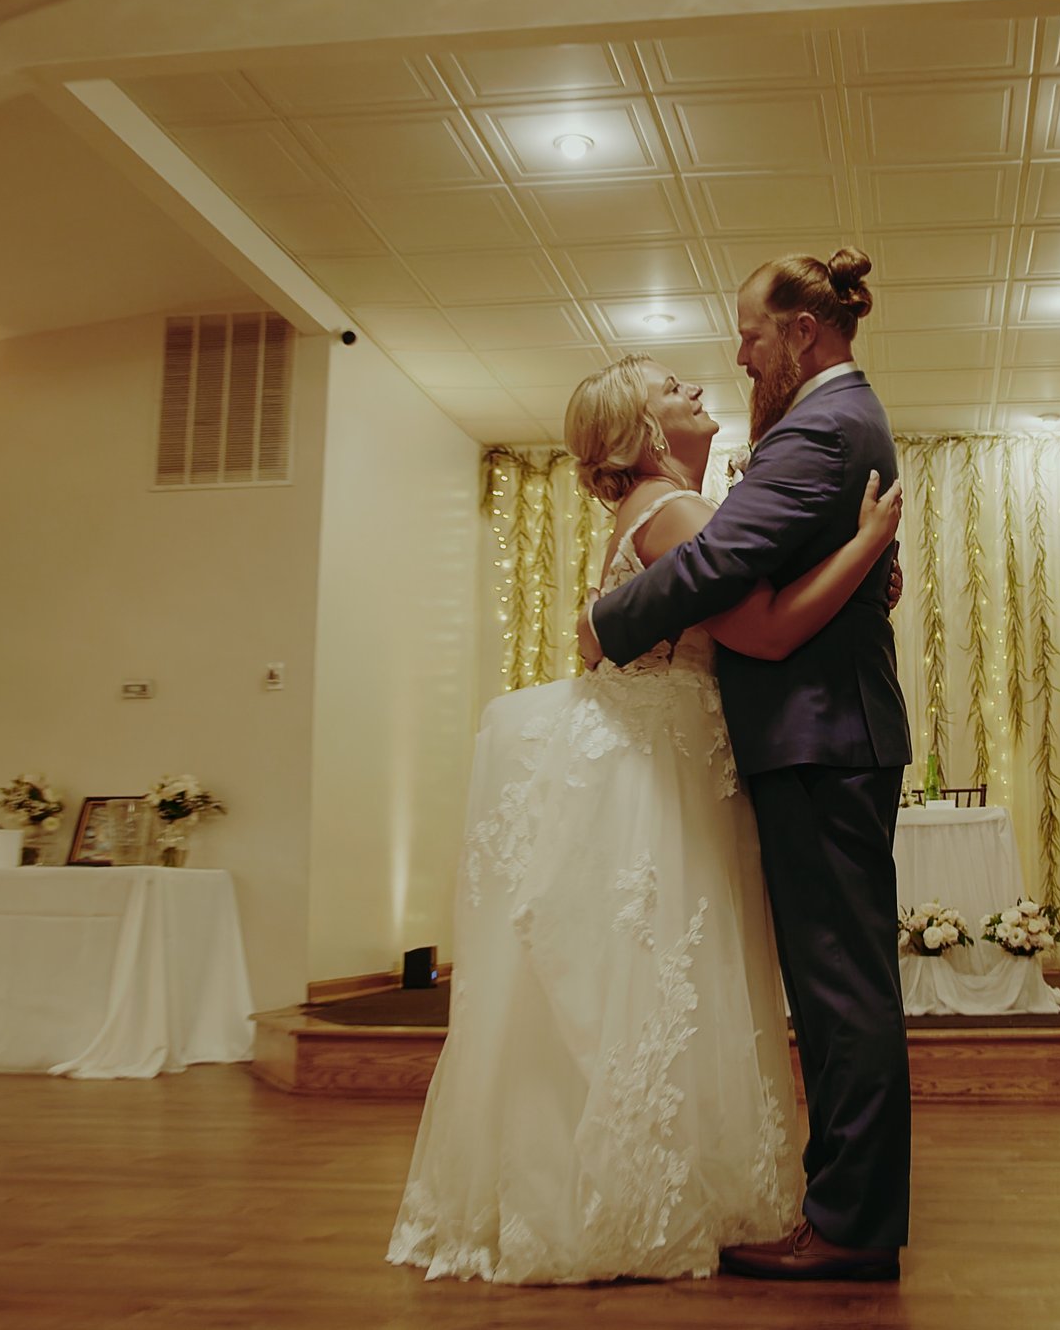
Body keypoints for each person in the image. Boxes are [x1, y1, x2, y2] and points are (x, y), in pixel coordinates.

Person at [387, 351, 904, 1286]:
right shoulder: (678, 516)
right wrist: (868, 546)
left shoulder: (666, 515)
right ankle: (643, 1194)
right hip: (666, 773)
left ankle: (636, 1181)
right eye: (675, 391)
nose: (700, 390)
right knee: (664, 982)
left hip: (667, 758)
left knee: (645, 988)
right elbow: (772, 631)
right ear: (642, 435)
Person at [582, 250, 914, 1283]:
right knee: (827, 988)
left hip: (821, 737)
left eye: (750, 332)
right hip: (814, 733)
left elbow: (724, 567)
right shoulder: (821, 425)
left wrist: (604, 616)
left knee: (840, 990)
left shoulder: (819, 423)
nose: (736, 354)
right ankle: (843, 1205)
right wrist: (862, 566)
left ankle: (853, 1225)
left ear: (800, 334)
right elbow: (756, 572)